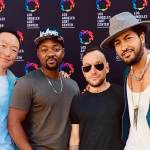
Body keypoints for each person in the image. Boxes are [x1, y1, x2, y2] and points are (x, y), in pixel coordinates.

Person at [8, 28, 80, 150]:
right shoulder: (26, 83)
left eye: (56, 49)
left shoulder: (73, 85)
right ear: (38, 53)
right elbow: (13, 123)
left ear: (63, 52)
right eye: (44, 49)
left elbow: (76, 123)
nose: (51, 53)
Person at [100, 12, 150, 150]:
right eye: (118, 43)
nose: (124, 47)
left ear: (142, 37)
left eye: (128, 38)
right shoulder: (127, 73)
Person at [69, 47, 125, 150]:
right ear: (83, 71)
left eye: (98, 65)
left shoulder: (123, 94)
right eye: (87, 67)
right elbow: (74, 139)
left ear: (107, 68)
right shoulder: (77, 101)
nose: (93, 71)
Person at [0, 28, 20, 149]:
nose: (8, 53)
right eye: (3, 45)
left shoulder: (18, 84)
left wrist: (60, 78)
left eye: (14, 50)